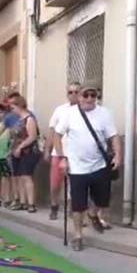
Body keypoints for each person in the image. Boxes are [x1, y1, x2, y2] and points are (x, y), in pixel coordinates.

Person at [54, 83, 122, 251]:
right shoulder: (69, 114)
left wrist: (119, 155)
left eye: (93, 95)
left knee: (102, 200)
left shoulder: (104, 113)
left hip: (99, 165)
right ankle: (78, 235)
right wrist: (62, 158)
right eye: (86, 95)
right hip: (77, 167)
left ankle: (93, 214)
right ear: (79, 97)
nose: (90, 99)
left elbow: (113, 136)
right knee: (78, 204)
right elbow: (57, 135)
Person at [45, 83, 81, 220]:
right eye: (70, 92)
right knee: (55, 183)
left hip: (76, 153)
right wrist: (47, 150)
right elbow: (52, 130)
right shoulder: (60, 110)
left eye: (76, 92)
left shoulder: (84, 110)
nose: (73, 94)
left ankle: (73, 209)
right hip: (58, 152)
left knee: (75, 184)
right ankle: (54, 205)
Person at [8, 94, 41, 213]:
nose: (11, 110)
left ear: (19, 105)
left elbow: (32, 137)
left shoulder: (29, 119)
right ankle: (22, 202)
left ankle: (31, 203)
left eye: (12, 107)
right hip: (18, 152)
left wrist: (20, 147)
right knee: (20, 177)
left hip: (29, 152)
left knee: (27, 176)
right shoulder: (19, 120)